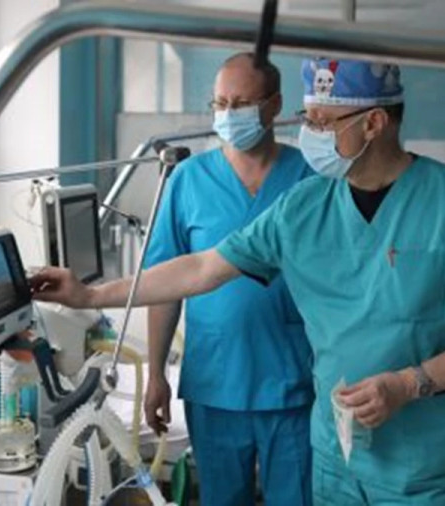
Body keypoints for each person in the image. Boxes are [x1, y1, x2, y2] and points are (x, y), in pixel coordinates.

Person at [30, 58, 445, 505]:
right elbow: (201, 267)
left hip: (425, 462)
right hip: (336, 454)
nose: (310, 133)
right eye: (308, 118)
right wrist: (91, 294)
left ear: (373, 123)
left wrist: (408, 384)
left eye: (323, 121)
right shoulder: (303, 206)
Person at [142, 52, 314, 506]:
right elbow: (163, 286)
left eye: (241, 103)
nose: (228, 114)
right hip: (215, 382)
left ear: (274, 105)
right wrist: (156, 373)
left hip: (293, 384)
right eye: (220, 103)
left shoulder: (310, 177)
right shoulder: (187, 180)